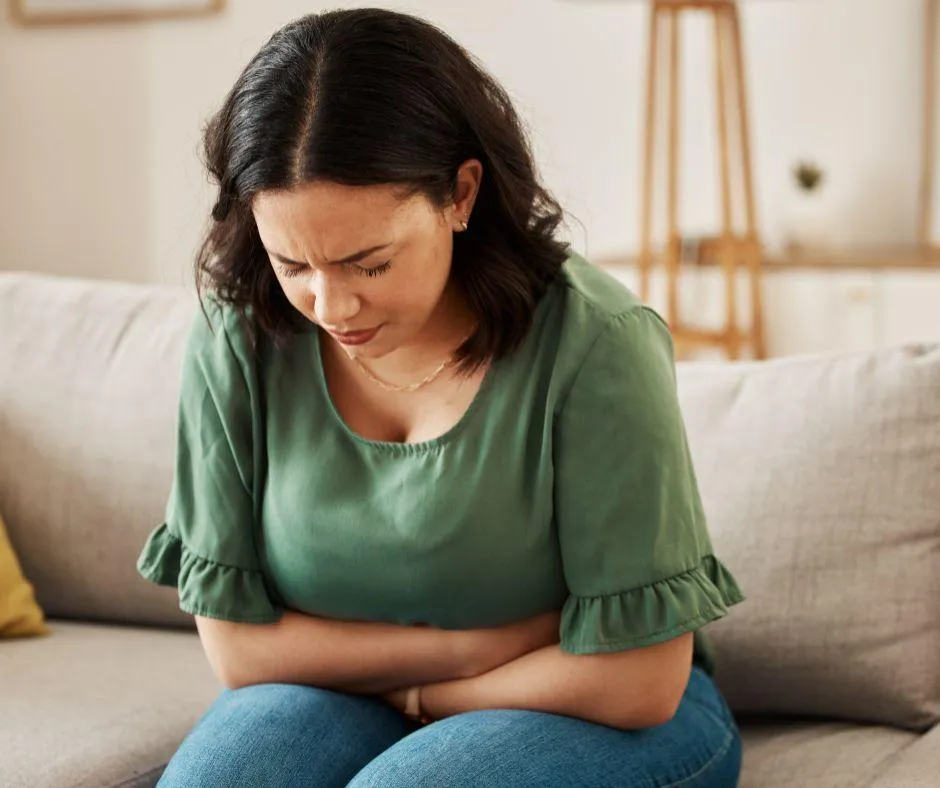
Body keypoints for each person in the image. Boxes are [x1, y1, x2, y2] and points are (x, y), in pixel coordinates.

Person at [137, 8, 746, 787]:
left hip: (604, 711)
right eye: (293, 263)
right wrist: (461, 653)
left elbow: (638, 681)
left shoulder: (596, 343)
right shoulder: (240, 336)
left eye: (369, 263)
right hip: (365, 696)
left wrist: (426, 699)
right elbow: (239, 650)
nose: (331, 306)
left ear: (460, 195)